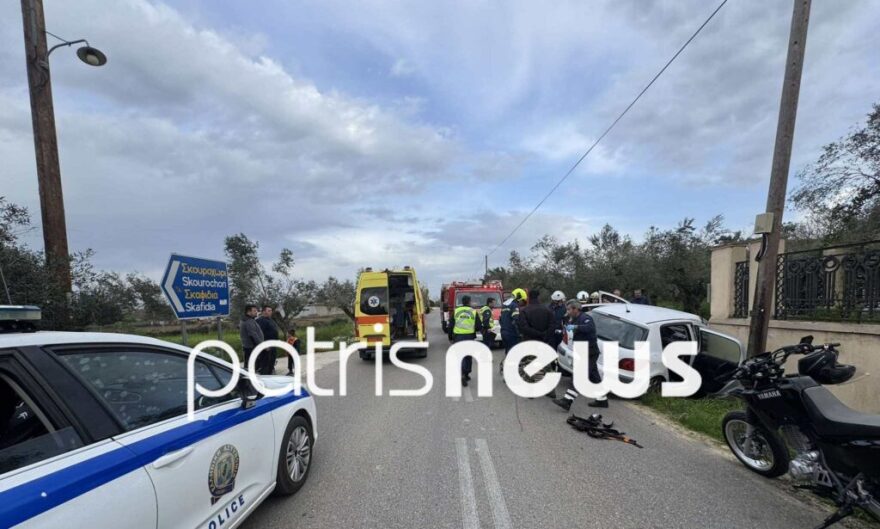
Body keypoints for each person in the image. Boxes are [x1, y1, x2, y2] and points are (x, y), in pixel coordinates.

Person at [553, 299, 608, 411]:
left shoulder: (585, 318)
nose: (567, 311)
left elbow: (589, 328)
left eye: (569, 309)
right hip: (583, 351)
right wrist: (563, 331)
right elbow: (573, 331)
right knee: (594, 377)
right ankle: (602, 400)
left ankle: (567, 401)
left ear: (575, 309)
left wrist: (575, 327)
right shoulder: (575, 319)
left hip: (589, 352)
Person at [450, 294, 482, 387]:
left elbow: (451, 325)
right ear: (469, 302)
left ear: (462, 302)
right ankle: (466, 374)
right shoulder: (473, 311)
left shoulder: (456, 311)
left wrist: (450, 337)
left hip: (458, 337)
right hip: (469, 336)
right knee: (468, 356)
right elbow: (478, 326)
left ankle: (462, 373)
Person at [498, 288, 527, 371]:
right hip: (512, 333)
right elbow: (516, 320)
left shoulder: (505, 305)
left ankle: (504, 366)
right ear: (518, 297)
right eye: (522, 301)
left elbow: (501, 319)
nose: (522, 304)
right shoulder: (514, 305)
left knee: (508, 350)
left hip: (504, 332)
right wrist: (520, 332)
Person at [256, 305, 280, 375]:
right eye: (269, 310)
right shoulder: (261, 320)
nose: (271, 312)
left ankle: (270, 375)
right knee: (265, 365)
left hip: (272, 345)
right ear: (263, 311)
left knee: (271, 363)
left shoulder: (270, 319)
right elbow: (259, 334)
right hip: (266, 347)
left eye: (271, 310)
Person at [239, 304, 264, 370]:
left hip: (250, 347)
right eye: (254, 311)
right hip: (251, 347)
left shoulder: (249, 319)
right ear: (248, 312)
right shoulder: (248, 321)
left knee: (250, 366)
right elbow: (253, 335)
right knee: (251, 367)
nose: (256, 312)